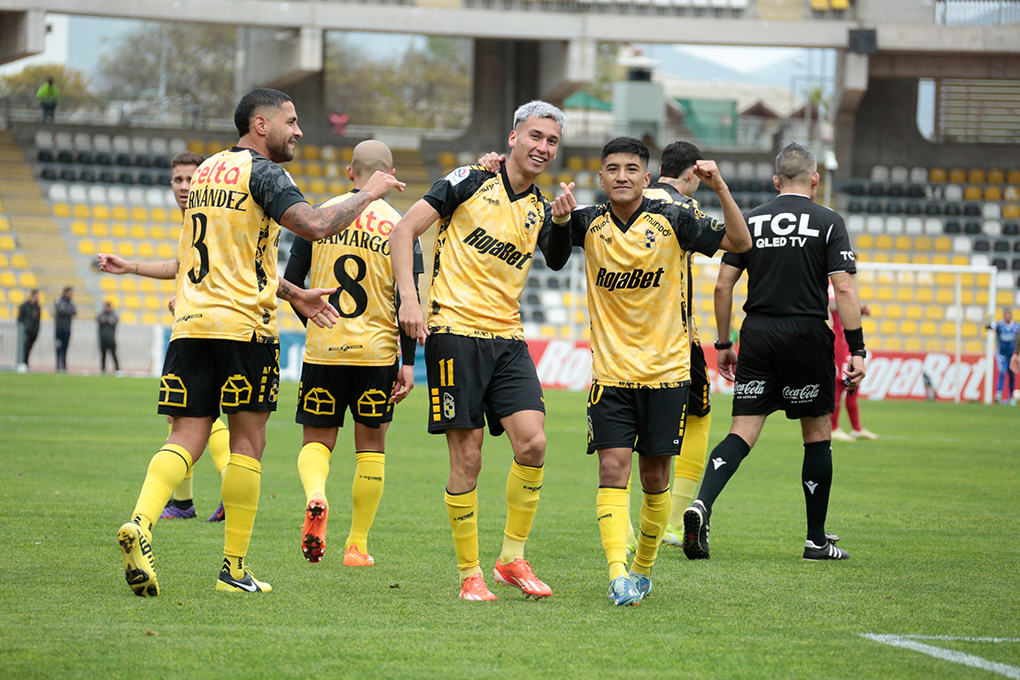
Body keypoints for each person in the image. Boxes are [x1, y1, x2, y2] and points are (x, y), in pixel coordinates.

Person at [109, 87, 404, 598]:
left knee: (185, 436)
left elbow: (233, 257)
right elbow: (314, 226)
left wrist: (297, 293)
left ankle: (141, 521)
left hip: (193, 323)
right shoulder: (265, 172)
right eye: (291, 121)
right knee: (248, 443)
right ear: (261, 126)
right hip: (245, 328)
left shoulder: (204, 172)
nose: (299, 130)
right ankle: (233, 568)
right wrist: (371, 193)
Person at [545, 137, 750, 605]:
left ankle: (642, 569)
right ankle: (618, 571)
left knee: (655, 480)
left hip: (667, 373)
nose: (621, 176)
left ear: (646, 177)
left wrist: (719, 187)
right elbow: (555, 258)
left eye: (631, 168)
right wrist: (558, 221)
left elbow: (740, 243)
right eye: (612, 168)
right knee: (612, 469)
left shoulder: (677, 218)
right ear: (601, 178)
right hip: (611, 375)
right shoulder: (586, 221)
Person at [389, 100, 566, 602]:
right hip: (453, 331)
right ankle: (470, 575)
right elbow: (405, 231)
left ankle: (511, 558)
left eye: (551, 141)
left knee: (533, 444)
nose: (542, 148)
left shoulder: (540, 208)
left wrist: (564, 221)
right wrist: (410, 299)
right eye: (535, 136)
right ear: (513, 137)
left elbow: (554, 259)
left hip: (508, 338)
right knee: (468, 457)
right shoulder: (468, 179)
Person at [683, 143, 866, 563]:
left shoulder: (749, 220)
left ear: (775, 181)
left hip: (759, 334)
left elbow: (722, 286)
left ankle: (702, 506)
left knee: (742, 431)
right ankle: (816, 540)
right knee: (817, 435)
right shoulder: (829, 221)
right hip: (806, 335)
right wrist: (856, 348)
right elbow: (844, 288)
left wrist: (725, 344)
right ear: (815, 180)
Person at [282, 140, 423, 567]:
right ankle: (357, 546)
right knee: (371, 448)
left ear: (350, 173)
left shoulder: (321, 216)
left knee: (317, 442)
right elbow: (407, 299)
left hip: (324, 350)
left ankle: (316, 495)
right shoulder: (401, 226)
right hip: (376, 355)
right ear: (390, 174)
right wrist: (408, 363)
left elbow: (291, 284)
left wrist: (316, 324)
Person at [99, 150, 230, 523]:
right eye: (178, 179)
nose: (184, 186)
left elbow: (227, 265)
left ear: (206, 180)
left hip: (213, 327)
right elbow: (184, 265)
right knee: (179, 415)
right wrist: (131, 267)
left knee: (197, 414)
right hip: (198, 321)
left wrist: (196, 295)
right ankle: (184, 502)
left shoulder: (215, 214)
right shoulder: (191, 219)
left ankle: (226, 489)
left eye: (191, 178)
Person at [639, 140, 717, 549]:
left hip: (624, 337)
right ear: (691, 174)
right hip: (677, 336)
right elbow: (736, 244)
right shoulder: (684, 208)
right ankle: (669, 521)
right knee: (698, 417)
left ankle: (634, 528)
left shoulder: (630, 196)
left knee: (631, 430)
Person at [830, 290, 878, 441]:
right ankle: (833, 428)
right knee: (839, 383)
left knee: (853, 383)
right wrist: (858, 306)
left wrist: (860, 309)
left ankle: (857, 428)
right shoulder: (833, 284)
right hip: (839, 343)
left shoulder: (845, 284)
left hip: (849, 343)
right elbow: (833, 305)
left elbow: (848, 311)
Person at [986, 308, 1018, 405]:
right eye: (1006, 314)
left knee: (1012, 376)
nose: (1007, 316)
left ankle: (1011, 398)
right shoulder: (999, 325)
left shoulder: (1016, 327)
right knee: (1002, 372)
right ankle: (998, 395)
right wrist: (989, 321)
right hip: (1002, 355)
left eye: (1009, 314)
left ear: (1011, 315)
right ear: (1003, 315)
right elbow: (988, 327)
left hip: (1012, 355)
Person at [17, 289, 41, 371]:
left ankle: (26, 363)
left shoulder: (37, 307)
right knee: (24, 348)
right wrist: (23, 329)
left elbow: (38, 320)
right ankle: (22, 363)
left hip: (33, 332)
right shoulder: (24, 306)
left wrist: (37, 330)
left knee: (29, 349)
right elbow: (20, 319)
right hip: (25, 331)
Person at [54, 286, 76, 372]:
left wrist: (66, 311)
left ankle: (64, 365)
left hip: (67, 328)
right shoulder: (59, 300)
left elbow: (74, 311)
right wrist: (67, 311)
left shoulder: (70, 302)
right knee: (59, 346)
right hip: (60, 328)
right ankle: (58, 365)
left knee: (65, 347)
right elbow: (60, 310)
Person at [97, 301, 120, 373]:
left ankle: (117, 369)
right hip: (103, 338)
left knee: (113, 354)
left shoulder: (113, 315)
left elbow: (114, 321)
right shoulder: (101, 315)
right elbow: (100, 320)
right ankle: (103, 369)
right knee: (103, 355)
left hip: (111, 339)